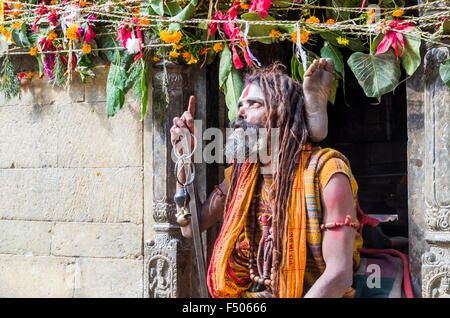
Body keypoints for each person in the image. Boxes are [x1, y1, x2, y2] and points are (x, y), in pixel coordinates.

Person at [170, 58, 363, 298]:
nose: (240, 112)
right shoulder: (241, 175)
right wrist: (184, 159)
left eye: (254, 104)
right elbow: (191, 227)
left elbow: (339, 274)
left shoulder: (328, 172)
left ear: (282, 114)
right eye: (241, 105)